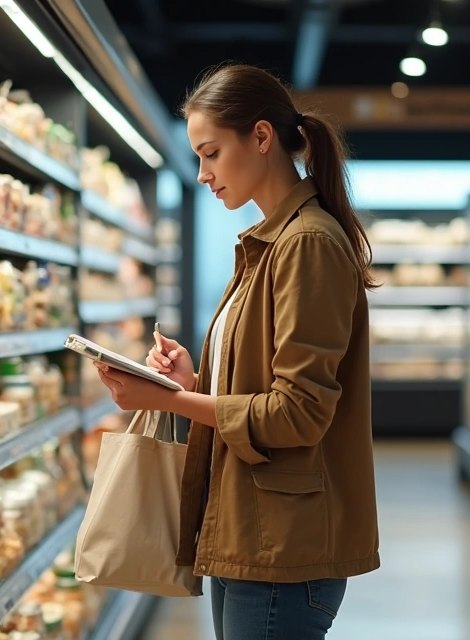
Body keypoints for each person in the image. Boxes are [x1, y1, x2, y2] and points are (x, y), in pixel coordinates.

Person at [93, 63, 380, 640]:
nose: (202, 173)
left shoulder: (306, 244)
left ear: (262, 137)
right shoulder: (268, 243)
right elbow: (260, 390)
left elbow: (298, 413)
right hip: (247, 526)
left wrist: (171, 403)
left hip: (281, 544)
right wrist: (193, 383)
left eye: (211, 153)